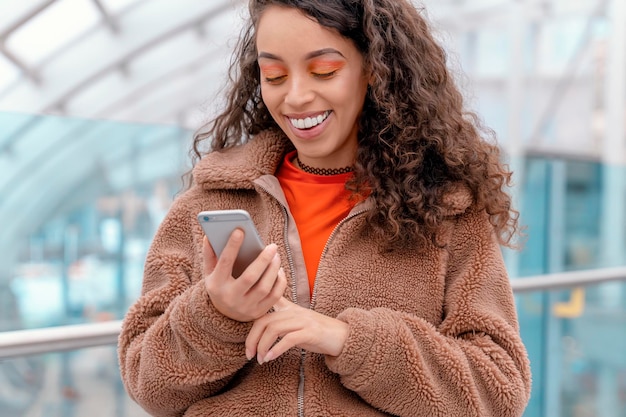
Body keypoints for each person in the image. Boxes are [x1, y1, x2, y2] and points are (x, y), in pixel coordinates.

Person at [118, 0, 532, 416]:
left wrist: (348, 341)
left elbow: (498, 392)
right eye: (275, 75)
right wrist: (217, 315)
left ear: (374, 69)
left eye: (324, 71)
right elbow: (147, 384)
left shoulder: (446, 210)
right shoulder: (209, 203)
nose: (296, 97)